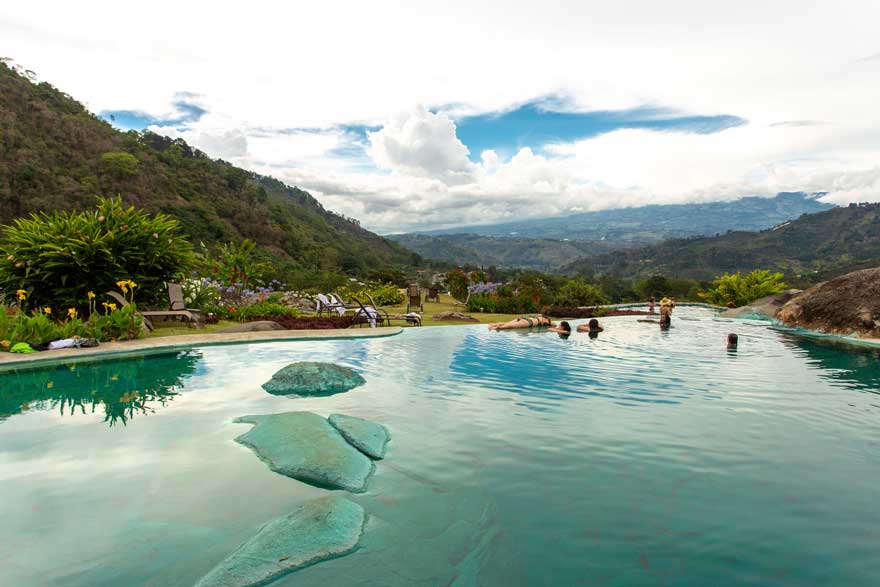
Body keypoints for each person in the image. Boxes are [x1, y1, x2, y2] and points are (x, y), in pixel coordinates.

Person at [488, 315, 554, 330]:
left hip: (524, 318)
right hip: (528, 322)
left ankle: (493, 325)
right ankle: (497, 328)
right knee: (510, 326)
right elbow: (554, 324)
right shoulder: (546, 321)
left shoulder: (539, 317)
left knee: (507, 323)